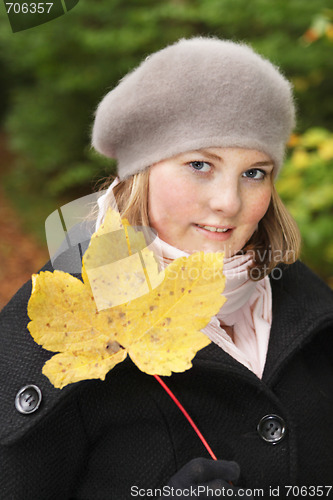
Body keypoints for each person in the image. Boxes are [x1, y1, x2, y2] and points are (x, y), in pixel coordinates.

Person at [0, 37, 332, 500]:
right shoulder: (59, 326)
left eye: (254, 172)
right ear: (141, 172)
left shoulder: (315, 320)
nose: (228, 202)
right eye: (199, 164)